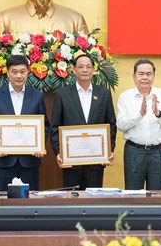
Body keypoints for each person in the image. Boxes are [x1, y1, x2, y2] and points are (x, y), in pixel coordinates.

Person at [49, 54, 117, 189]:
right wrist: (59, 153)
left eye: (88, 67)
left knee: (94, 198)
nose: (84, 70)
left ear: (93, 70)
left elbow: (111, 125)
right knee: (72, 198)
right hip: (71, 161)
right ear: (74, 70)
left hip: (96, 161)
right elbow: (55, 126)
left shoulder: (104, 93)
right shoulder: (62, 94)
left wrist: (108, 150)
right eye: (80, 67)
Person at [0, 55, 48, 191]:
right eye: (14, 72)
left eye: (22, 72)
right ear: (8, 73)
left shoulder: (37, 96)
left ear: (28, 72)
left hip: (29, 161)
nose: (19, 76)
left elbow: (45, 125)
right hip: (4, 161)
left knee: (30, 200)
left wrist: (40, 145)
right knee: (2, 199)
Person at [117, 59, 161, 190]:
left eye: (148, 74)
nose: (145, 77)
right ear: (134, 76)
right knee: (133, 194)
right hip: (134, 151)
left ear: (153, 76)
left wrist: (158, 114)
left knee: (156, 194)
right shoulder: (125, 97)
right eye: (141, 74)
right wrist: (139, 115)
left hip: (157, 152)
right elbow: (120, 125)